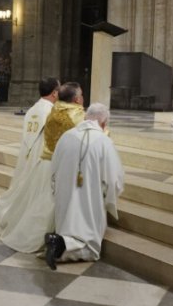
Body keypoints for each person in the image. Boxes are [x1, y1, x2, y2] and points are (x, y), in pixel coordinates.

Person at [0, 82, 84, 253]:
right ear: (54, 93)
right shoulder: (58, 112)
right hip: (48, 159)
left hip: (34, 158)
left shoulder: (33, 109)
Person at [44, 103, 125, 268]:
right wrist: (109, 198)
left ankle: (58, 239)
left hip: (64, 196)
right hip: (90, 199)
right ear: (104, 123)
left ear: (86, 117)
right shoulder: (104, 141)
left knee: (66, 225)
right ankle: (61, 245)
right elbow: (114, 179)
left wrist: (57, 191)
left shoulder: (66, 136)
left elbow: (53, 170)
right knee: (88, 242)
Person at [0, 76, 59, 235]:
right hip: (41, 160)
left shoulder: (32, 110)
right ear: (55, 93)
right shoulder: (52, 112)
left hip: (27, 158)